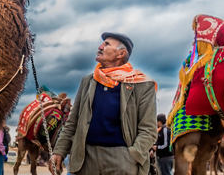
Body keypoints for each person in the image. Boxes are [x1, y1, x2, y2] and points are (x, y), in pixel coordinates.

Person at [51, 32, 158, 175]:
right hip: (85, 159)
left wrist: (132, 155)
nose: (100, 47)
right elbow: (73, 122)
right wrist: (59, 151)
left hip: (122, 160)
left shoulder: (142, 85)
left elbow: (148, 130)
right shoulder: (88, 81)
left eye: (107, 44)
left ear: (121, 53)